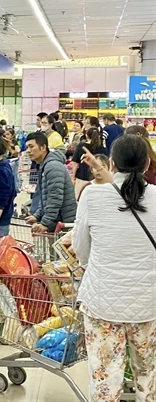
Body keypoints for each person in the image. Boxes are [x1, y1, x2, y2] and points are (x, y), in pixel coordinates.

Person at [73, 135, 156, 402]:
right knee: (149, 377)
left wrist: (92, 265)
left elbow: (80, 246)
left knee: (105, 380)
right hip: (149, 303)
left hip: (102, 302)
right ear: (146, 164)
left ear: (112, 162)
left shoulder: (93, 196)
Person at [25, 132, 77, 233]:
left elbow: (55, 198)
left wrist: (45, 223)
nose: (28, 151)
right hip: (57, 222)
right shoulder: (44, 165)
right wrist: (37, 215)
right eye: (27, 147)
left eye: (31, 147)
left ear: (43, 147)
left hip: (63, 223)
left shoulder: (52, 166)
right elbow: (44, 197)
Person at [72, 127, 106, 199]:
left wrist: (73, 176)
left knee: (79, 198)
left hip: (82, 176)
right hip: (97, 177)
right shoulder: (102, 149)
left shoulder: (81, 146)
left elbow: (75, 162)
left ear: (86, 135)